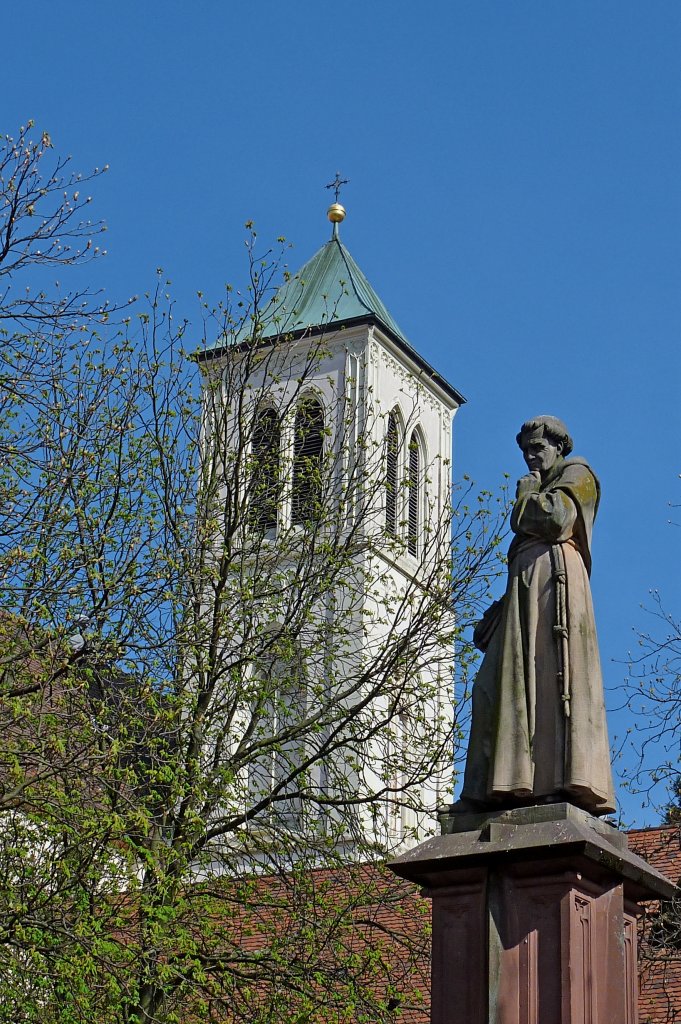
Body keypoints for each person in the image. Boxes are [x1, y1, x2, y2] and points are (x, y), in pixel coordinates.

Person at [458, 415, 615, 816]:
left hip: (554, 595)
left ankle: (550, 782)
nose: (530, 457)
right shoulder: (541, 485)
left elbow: (557, 520)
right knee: (491, 689)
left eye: (538, 448)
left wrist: (525, 498)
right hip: (525, 598)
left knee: (548, 684)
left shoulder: (578, 475)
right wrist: (502, 608)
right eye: (526, 449)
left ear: (558, 447)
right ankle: (493, 787)